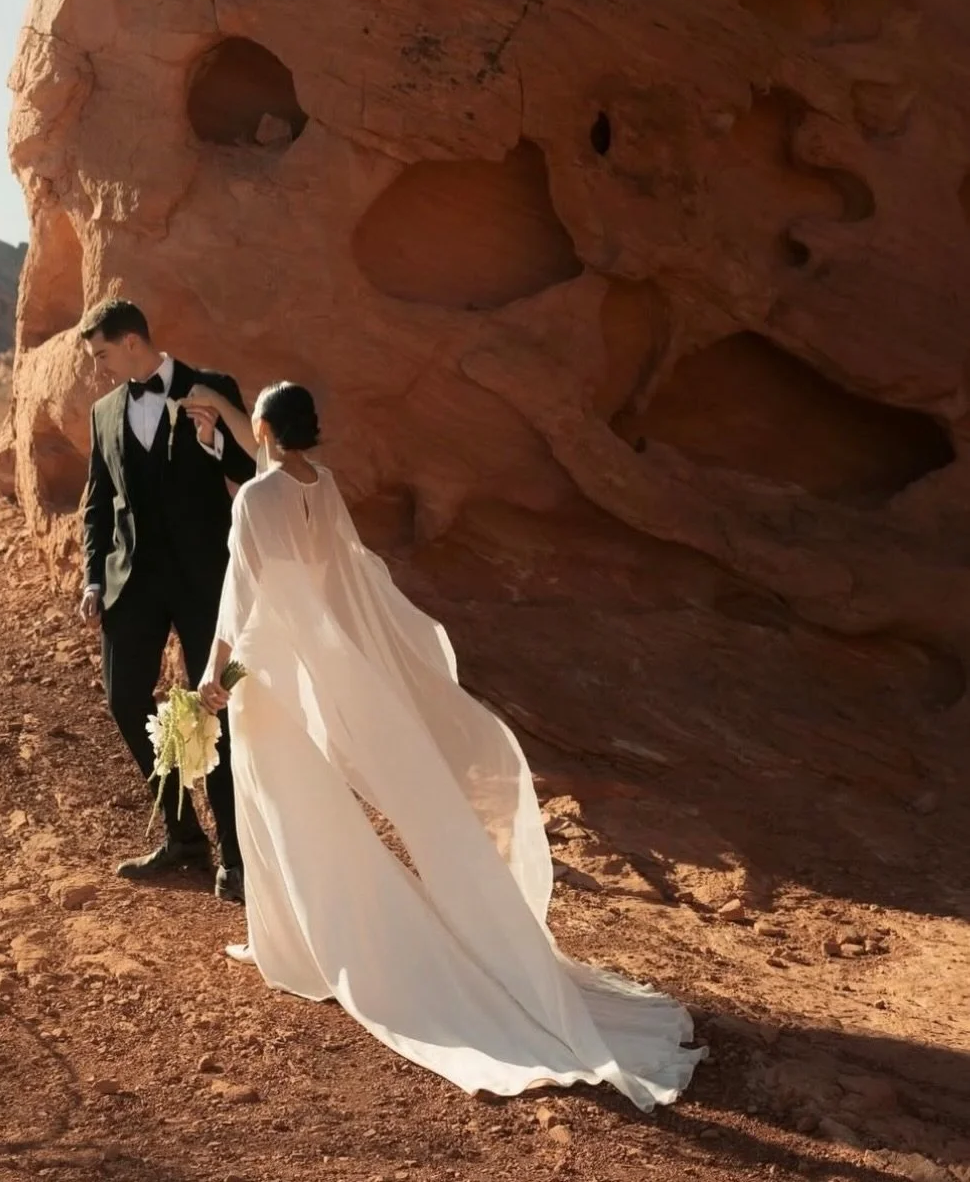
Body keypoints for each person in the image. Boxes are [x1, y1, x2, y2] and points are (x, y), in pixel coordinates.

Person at [194, 381, 704, 1108]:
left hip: (269, 665)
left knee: (281, 798)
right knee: (300, 801)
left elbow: (237, 597)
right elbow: (347, 577)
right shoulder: (324, 484)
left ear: (268, 431)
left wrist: (214, 677)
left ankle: (306, 947)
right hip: (318, 656)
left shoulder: (254, 499)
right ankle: (294, 940)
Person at [79, 299, 255, 902]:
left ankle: (237, 856)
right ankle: (184, 837)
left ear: (132, 342)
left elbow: (250, 468)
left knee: (220, 710)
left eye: (102, 353)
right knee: (125, 699)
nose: (98, 367)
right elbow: (99, 502)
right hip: (131, 585)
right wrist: (93, 580)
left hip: (209, 582)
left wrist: (210, 438)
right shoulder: (104, 412)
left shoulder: (215, 387)